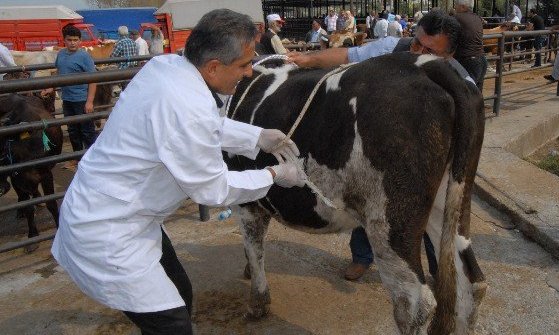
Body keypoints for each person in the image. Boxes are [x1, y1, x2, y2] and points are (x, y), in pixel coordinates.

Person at [51, 9, 308, 334]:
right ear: (214, 67)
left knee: (180, 296)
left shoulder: (169, 67)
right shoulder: (185, 106)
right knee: (171, 324)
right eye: (244, 65)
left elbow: (204, 125)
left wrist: (256, 137)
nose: (247, 74)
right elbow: (213, 189)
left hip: (129, 212)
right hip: (108, 229)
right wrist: (273, 176)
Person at [288, 10, 474, 281]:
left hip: (429, 155)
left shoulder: (462, 84)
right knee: (369, 200)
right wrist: (306, 59)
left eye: (429, 50)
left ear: (449, 56)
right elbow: (347, 56)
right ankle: (363, 257)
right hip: (383, 145)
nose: (417, 52)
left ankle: (438, 269)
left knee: (433, 212)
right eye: (416, 43)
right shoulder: (390, 47)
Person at [40, 25, 97, 171]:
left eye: (76, 40)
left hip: (81, 99)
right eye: (69, 40)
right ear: (64, 40)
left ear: (80, 41)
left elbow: (93, 79)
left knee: (87, 130)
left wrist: (89, 101)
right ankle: (77, 158)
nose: (73, 43)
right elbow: (60, 74)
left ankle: (93, 159)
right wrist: (51, 88)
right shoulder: (61, 54)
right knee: (72, 130)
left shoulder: (84, 57)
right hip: (68, 100)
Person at [453, 0, 487, 91]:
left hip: (469, 61)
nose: (455, 8)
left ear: (463, 7)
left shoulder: (457, 18)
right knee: (477, 94)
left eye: (456, 5)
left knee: (465, 92)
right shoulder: (477, 17)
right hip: (481, 59)